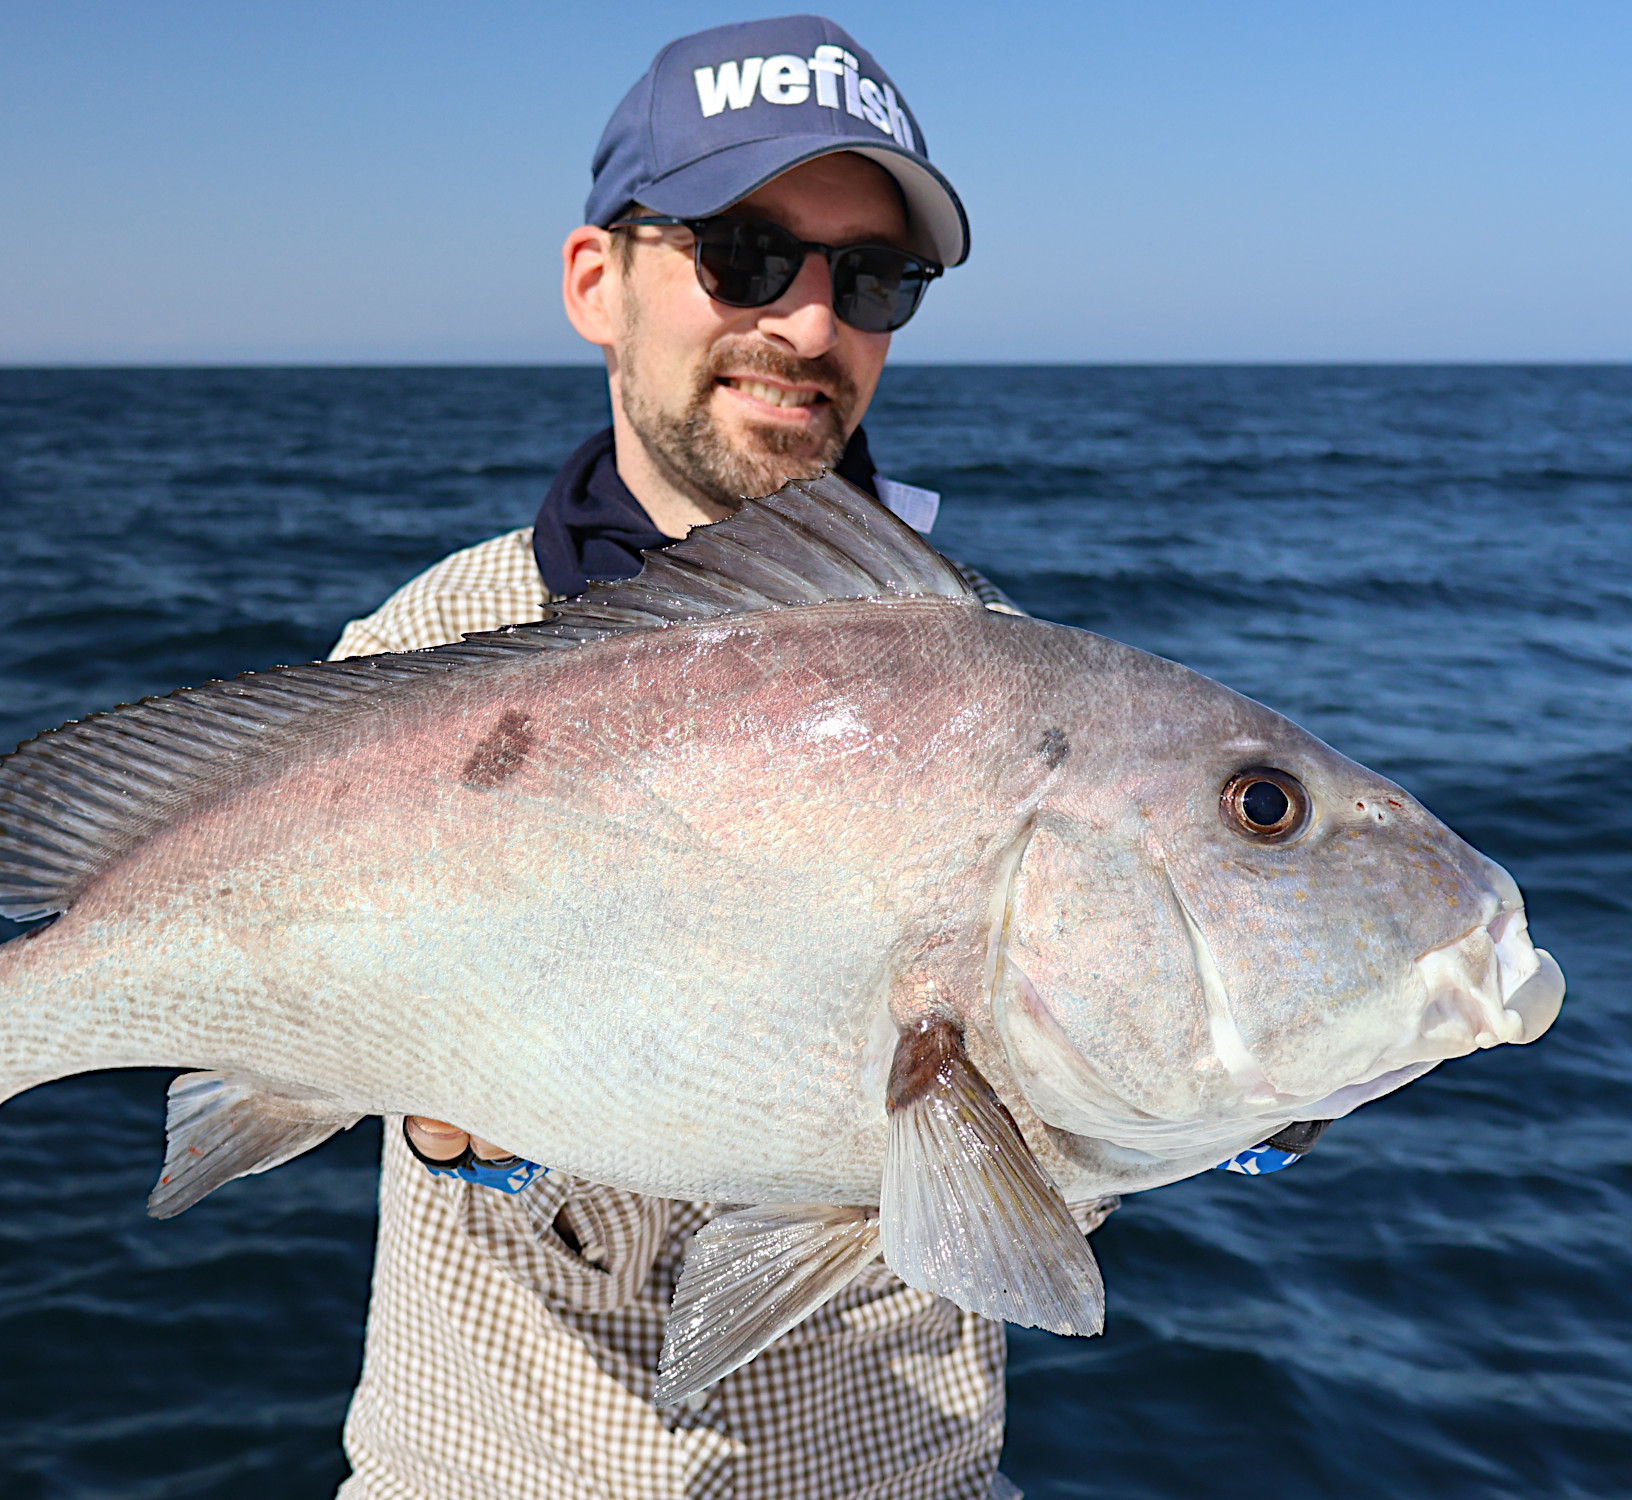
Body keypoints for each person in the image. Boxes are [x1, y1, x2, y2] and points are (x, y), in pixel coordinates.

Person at [327, 17, 1110, 1499]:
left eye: (872, 279)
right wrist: (453, 1135)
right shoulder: (418, 652)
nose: (810, 327)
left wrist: (1232, 1079)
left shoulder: (1011, 683)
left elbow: (1048, 1166)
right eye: (747, 255)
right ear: (595, 282)